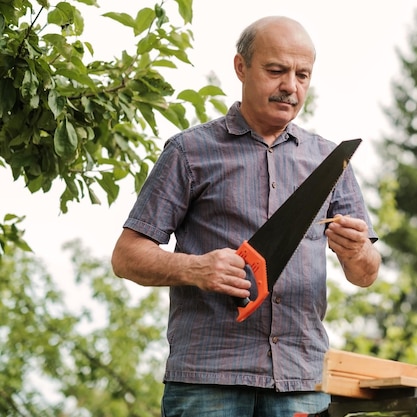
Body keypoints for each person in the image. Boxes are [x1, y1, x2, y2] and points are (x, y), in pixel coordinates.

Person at [111, 15, 381, 417]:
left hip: (301, 382)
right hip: (209, 380)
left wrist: (358, 250)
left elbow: (365, 274)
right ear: (241, 67)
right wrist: (196, 269)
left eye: (302, 75)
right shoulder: (189, 151)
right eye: (276, 71)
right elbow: (126, 256)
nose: (291, 86)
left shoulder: (329, 160)